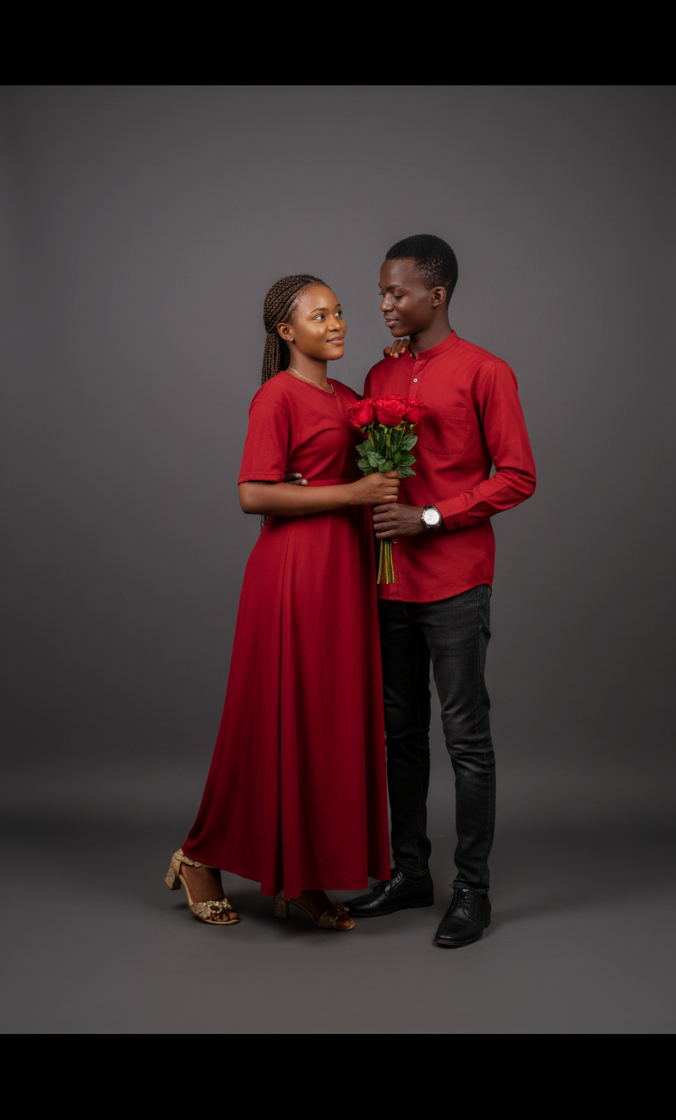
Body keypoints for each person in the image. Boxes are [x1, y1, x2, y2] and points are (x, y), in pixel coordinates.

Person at [165, 275, 394, 929]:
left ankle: (304, 875)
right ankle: (199, 856)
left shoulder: (351, 398)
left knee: (328, 722)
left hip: (344, 575)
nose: (338, 323)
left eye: (340, 312)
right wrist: (352, 494)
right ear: (287, 333)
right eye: (319, 316)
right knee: (272, 719)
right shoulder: (275, 398)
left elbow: (360, 474)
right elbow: (253, 494)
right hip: (291, 576)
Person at [347, 235, 536, 947]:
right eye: (382, 293)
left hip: (457, 583)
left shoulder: (487, 372)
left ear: (438, 294)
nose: (386, 305)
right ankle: (409, 873)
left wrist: (429, 517)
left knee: (466, 739)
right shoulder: (377, 376)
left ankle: (472, 891)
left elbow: (517, 475)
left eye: (397, 293)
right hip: (388, 584)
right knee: (399, 735)